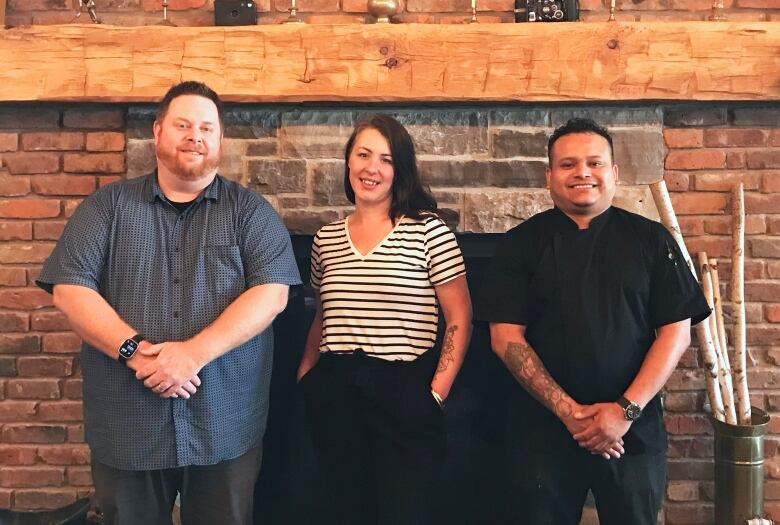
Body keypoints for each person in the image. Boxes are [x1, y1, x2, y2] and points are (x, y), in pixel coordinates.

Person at [36, 81, 301, 525]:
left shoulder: (251, 212)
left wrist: (192, 355)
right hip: (128, 422)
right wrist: (136, 352)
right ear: (158, 132)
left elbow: (273, 292)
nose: (194, 136)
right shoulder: (107, 207)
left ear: (219, 140)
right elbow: (69, 288)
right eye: (183, 124)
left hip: (224, 421)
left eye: (206, 127)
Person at [475, 118, 710, 525]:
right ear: (549, 176)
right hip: (541, 431)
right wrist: (570, 414)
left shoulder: (651, 240)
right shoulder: (519, 245)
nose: (582, 172)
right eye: (567, 165)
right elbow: (504, 338)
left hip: (632, 430)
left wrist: (622, 412)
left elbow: (676, 334)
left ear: (614, 173)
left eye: (594, 163)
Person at [296, 114, 472, 525]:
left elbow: (460, 317)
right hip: (336, 389)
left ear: (401, 170)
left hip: (405, 389)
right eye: (363, 155)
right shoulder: (327, 239)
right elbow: (324, 311)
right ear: (348, 162)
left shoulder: (429, 232)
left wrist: (436, 393)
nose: (371, 168)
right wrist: (307, 373)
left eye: (386, 159)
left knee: (405, 512)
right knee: (344, 510)